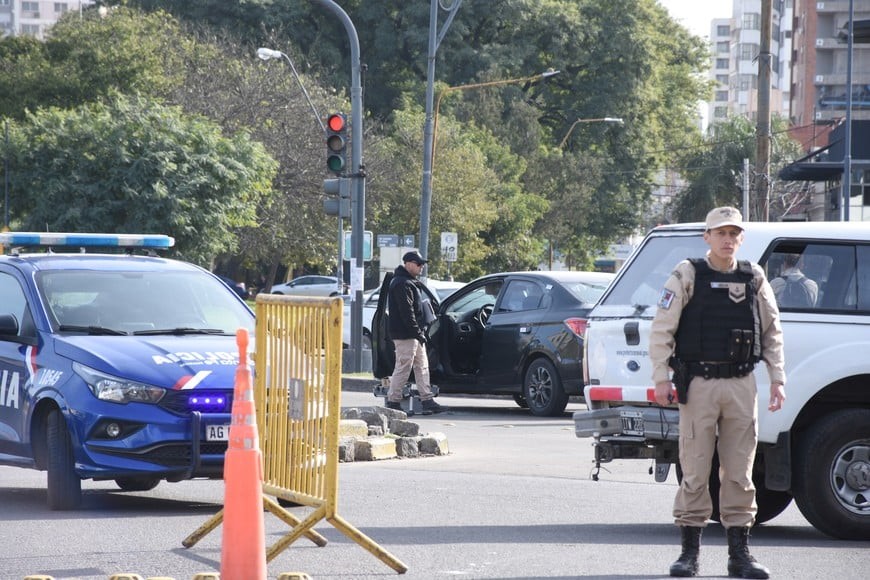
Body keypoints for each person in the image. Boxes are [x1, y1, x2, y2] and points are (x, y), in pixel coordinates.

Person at [649, 207, 786, 579]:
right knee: (694, 469)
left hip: (742, 384)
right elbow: (662, 327)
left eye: (734, 234)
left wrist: (778, 378)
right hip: (699, 385)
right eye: (720, 233)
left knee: (740, 472)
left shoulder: (754, 276)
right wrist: (661, 377)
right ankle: (689, 554)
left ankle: (739, 556)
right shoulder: (688, 273)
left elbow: (772, 329)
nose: (728, 239)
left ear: (741, 238)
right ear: (707, 236)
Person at [385, 250, 447, 415]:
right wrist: (417, 332)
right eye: (419, 264)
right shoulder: (401, 283)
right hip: (406, 334)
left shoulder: (409, 282)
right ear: (409, 264)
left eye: (422, 264)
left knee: (422, 366)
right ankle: (393, 401)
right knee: (403, 367)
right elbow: (407, 313)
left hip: (414, 334)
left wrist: (419, 333)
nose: (421, 267)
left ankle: (427, 399)